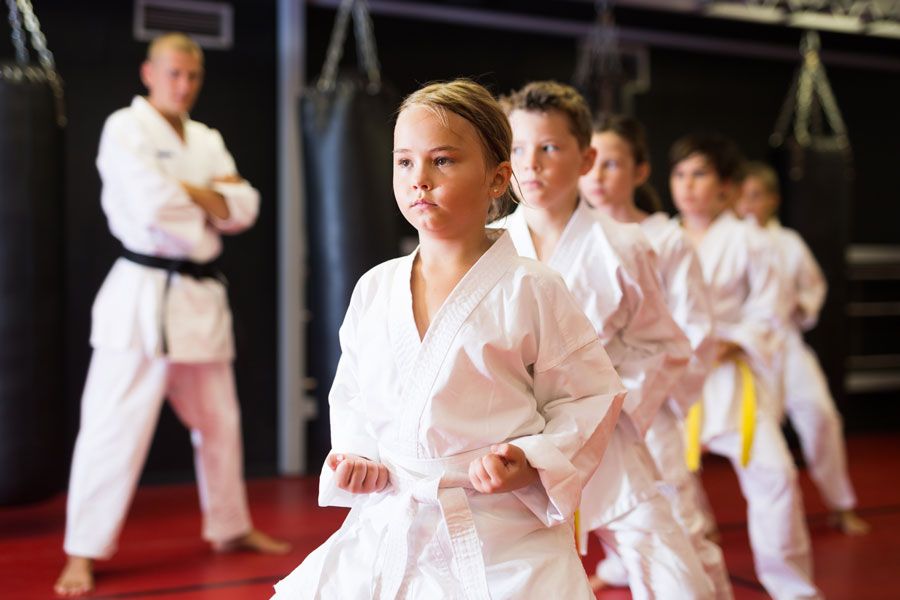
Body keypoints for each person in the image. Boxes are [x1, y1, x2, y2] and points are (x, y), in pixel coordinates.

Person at [273, 79, 627, 599]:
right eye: (404, 162)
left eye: (442, 160)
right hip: (393, 516)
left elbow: (590, 396)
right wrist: (358, 457)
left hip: (501, 531)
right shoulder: (375, 287)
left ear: (497, 178)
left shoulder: (532, 287)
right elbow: (353, 394)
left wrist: (529, 460)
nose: (419, 179)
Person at [54, 32, 288, 597]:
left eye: (193, 75)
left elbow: (246, 208)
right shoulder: (125, 128)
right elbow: (152, 206)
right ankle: (82, 550)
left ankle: (230, 527)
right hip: (142, 297)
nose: (183, 85)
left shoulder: (206, 138)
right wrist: (212, 198)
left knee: (221, 423)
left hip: (200, 299)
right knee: (112, 428)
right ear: (149, 73)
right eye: (173, 73)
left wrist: (200, 194)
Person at [500, 81, 713, 600]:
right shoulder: (489, 245)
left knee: (679, 578)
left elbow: (663, 346)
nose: (532, 165)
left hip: (603, 433)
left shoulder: (624, 244)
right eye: (519, 149)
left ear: (586, 158)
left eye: (550, 148)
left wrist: (611, 405)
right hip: (514, 444)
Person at [579, 114, 732, 599]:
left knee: (679, 522)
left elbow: (695, 331)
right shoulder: (570, 237)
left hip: (647, 402)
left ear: (640, 171)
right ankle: (621, 568)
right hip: (583, 406)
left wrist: (651, 400)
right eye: (591, 163)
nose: (598, 176)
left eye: (612, 164)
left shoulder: (666, 238)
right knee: (612, 512)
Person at [670, 134, 821, 599]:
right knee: (661, 483)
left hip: (730, 378)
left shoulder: (750, 240)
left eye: (699, 174)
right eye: (680, 174)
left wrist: (731, 342)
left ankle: (792, 586)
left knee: (774, 475)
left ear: (725, 186)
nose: (687, 185)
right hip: (672, 378)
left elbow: (771, 310)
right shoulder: (657, 237)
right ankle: (670, 575)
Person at [736, 161, 868, 536]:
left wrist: (802, 306)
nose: (748, 204)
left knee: (821, 415)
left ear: (773, 200)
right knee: (753, 436)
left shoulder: (790, 243)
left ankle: (841, 504)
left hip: (788, 343)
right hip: (744, 352)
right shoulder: (728, 241)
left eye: (756, 196)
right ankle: (718, 522)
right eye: (742, 196)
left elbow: (814, 286)